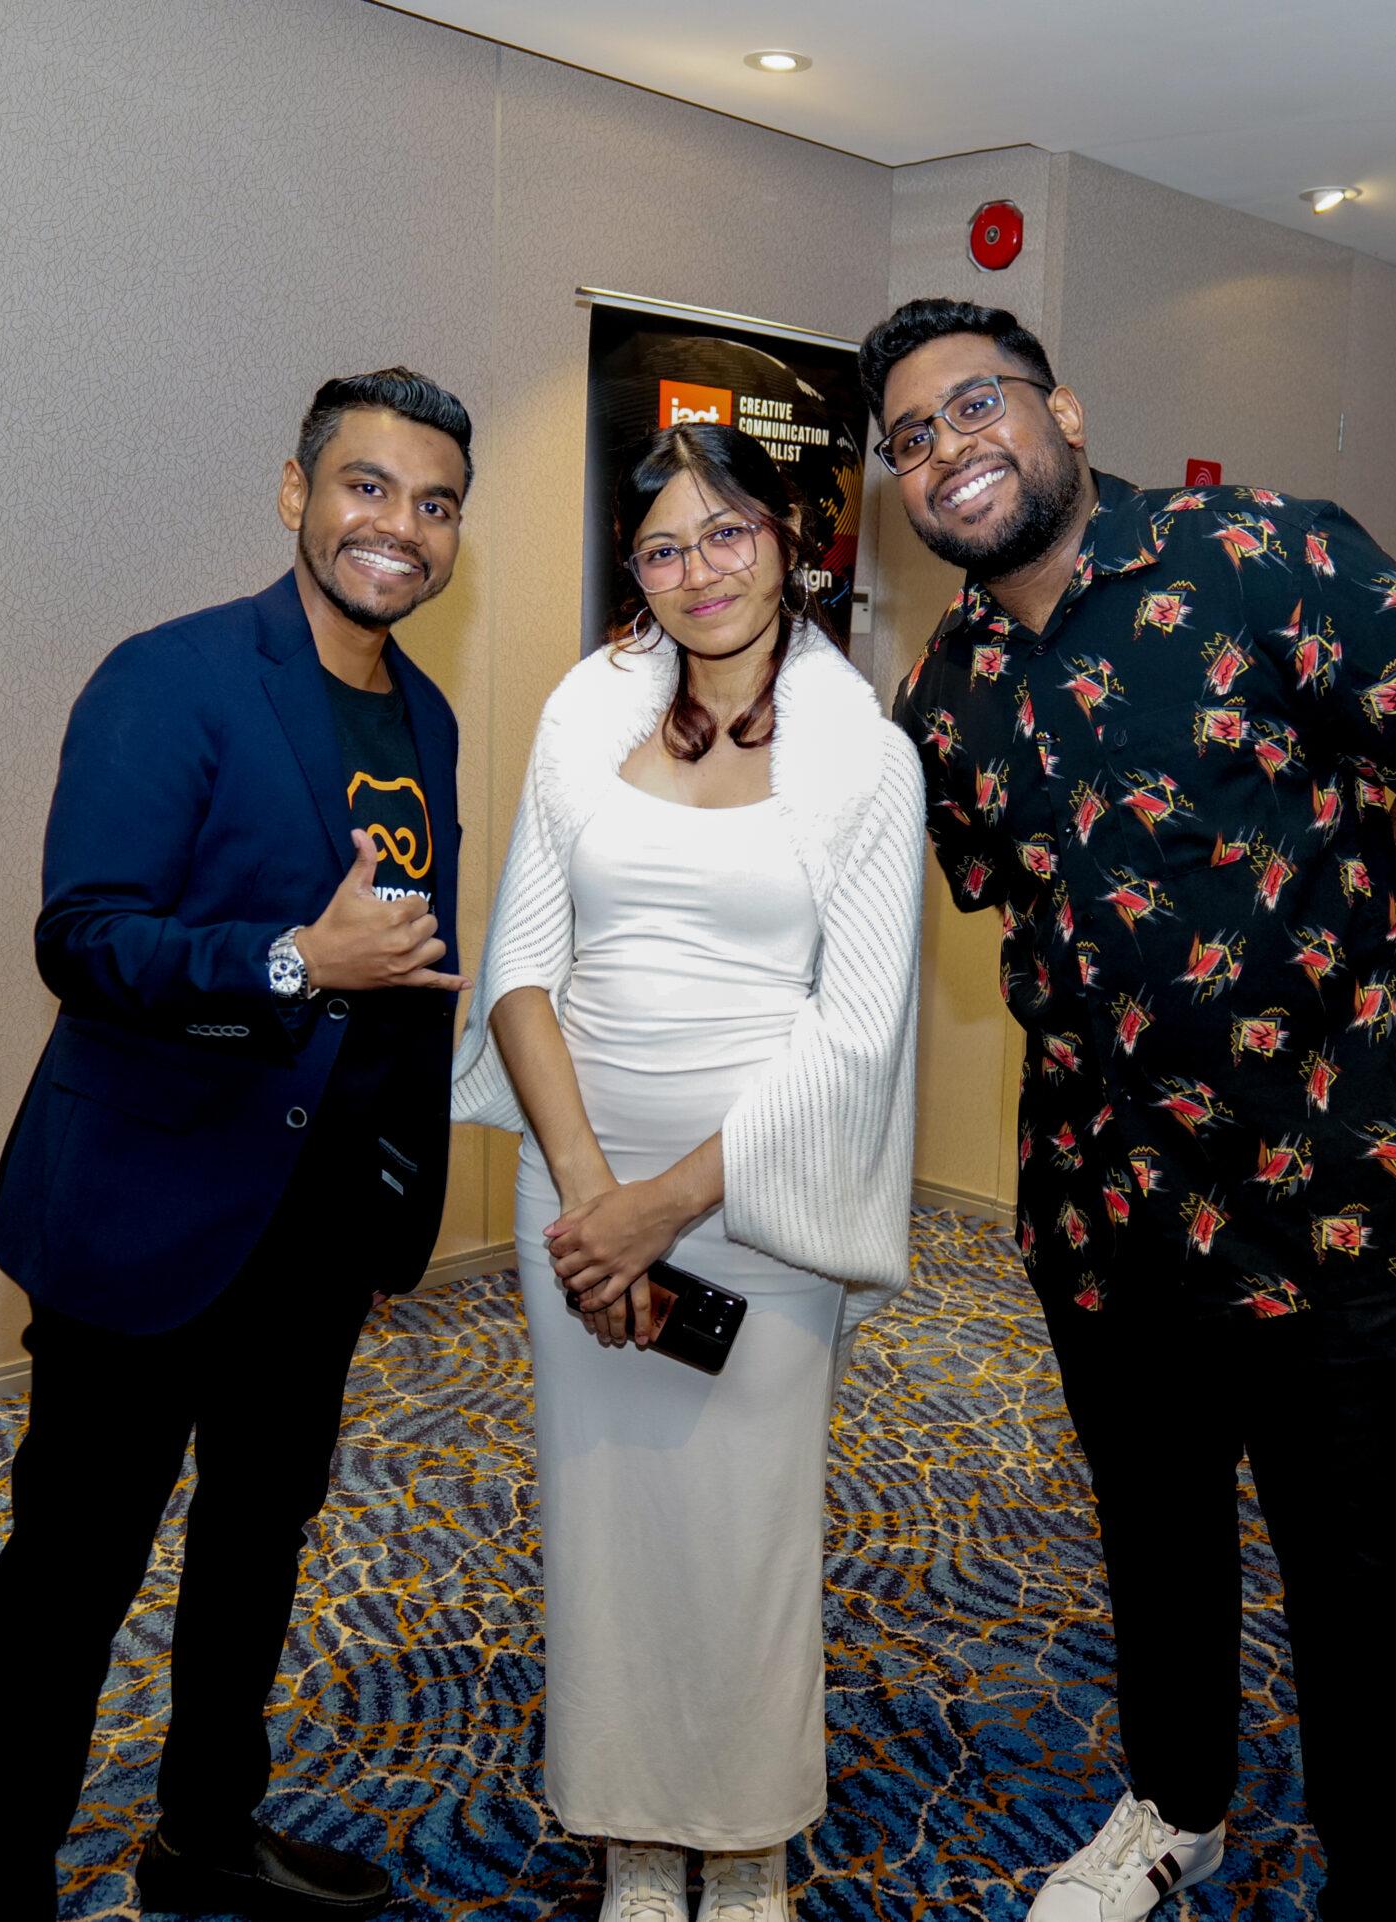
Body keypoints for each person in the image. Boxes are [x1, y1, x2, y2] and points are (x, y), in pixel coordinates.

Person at [859, 297, 1396, 1922]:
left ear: (1064, 410)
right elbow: (986, 897)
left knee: (1359, 1569)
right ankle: (1179, 1807)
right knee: (1156, 1541)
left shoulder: (1267, 553)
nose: (949, 448)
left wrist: (1353, 962)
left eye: (977, 403)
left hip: (1326, 1201)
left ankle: (1382, 1885)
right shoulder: (943, 693)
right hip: (1104, 1212)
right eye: (912, 438)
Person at [0, 369, 477, 1922]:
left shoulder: (428, 716)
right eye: (367, 486)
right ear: (297, 493)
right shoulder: (168, 677)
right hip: (147, 1211)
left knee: (257, 1542)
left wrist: (395, 1193)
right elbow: (84, 937)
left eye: (435, 503)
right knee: (73, 1572)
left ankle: (206, 1833)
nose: (400, 526)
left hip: (316, 1230)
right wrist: (297, 960)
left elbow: (407, 974)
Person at [450, 423, 924, 1922]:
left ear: (790, 541)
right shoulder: (586, 709)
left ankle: (750, 1835)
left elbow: (856, 1032)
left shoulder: (865, 754)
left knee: (743, 1528)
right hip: (576, 1193)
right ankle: (638, 1830)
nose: (697, 570)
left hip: (757, 1205)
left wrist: (660, 1209)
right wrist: (594, 1197)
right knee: (605, 1518)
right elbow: (519, 970)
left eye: (727, 533)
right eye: (662, 546)